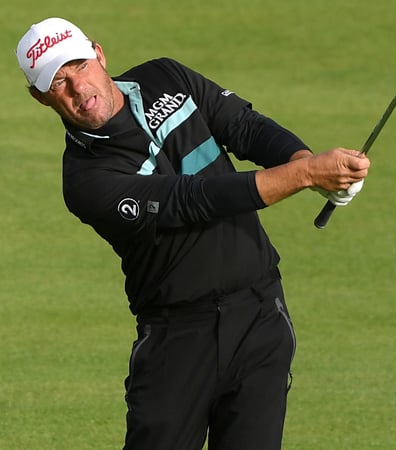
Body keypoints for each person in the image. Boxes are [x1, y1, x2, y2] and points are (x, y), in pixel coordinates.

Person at [16, 17, 371, 450]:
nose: (78, 89)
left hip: (260, 313)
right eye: (58, 83)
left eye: (80, 67)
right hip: (177, 340)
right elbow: (194, 198)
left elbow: (244, 126)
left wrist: (311, 166)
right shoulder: (87, 182)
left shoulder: (165, 76)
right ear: (39, 97)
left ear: (99, 54)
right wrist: (306, 174)